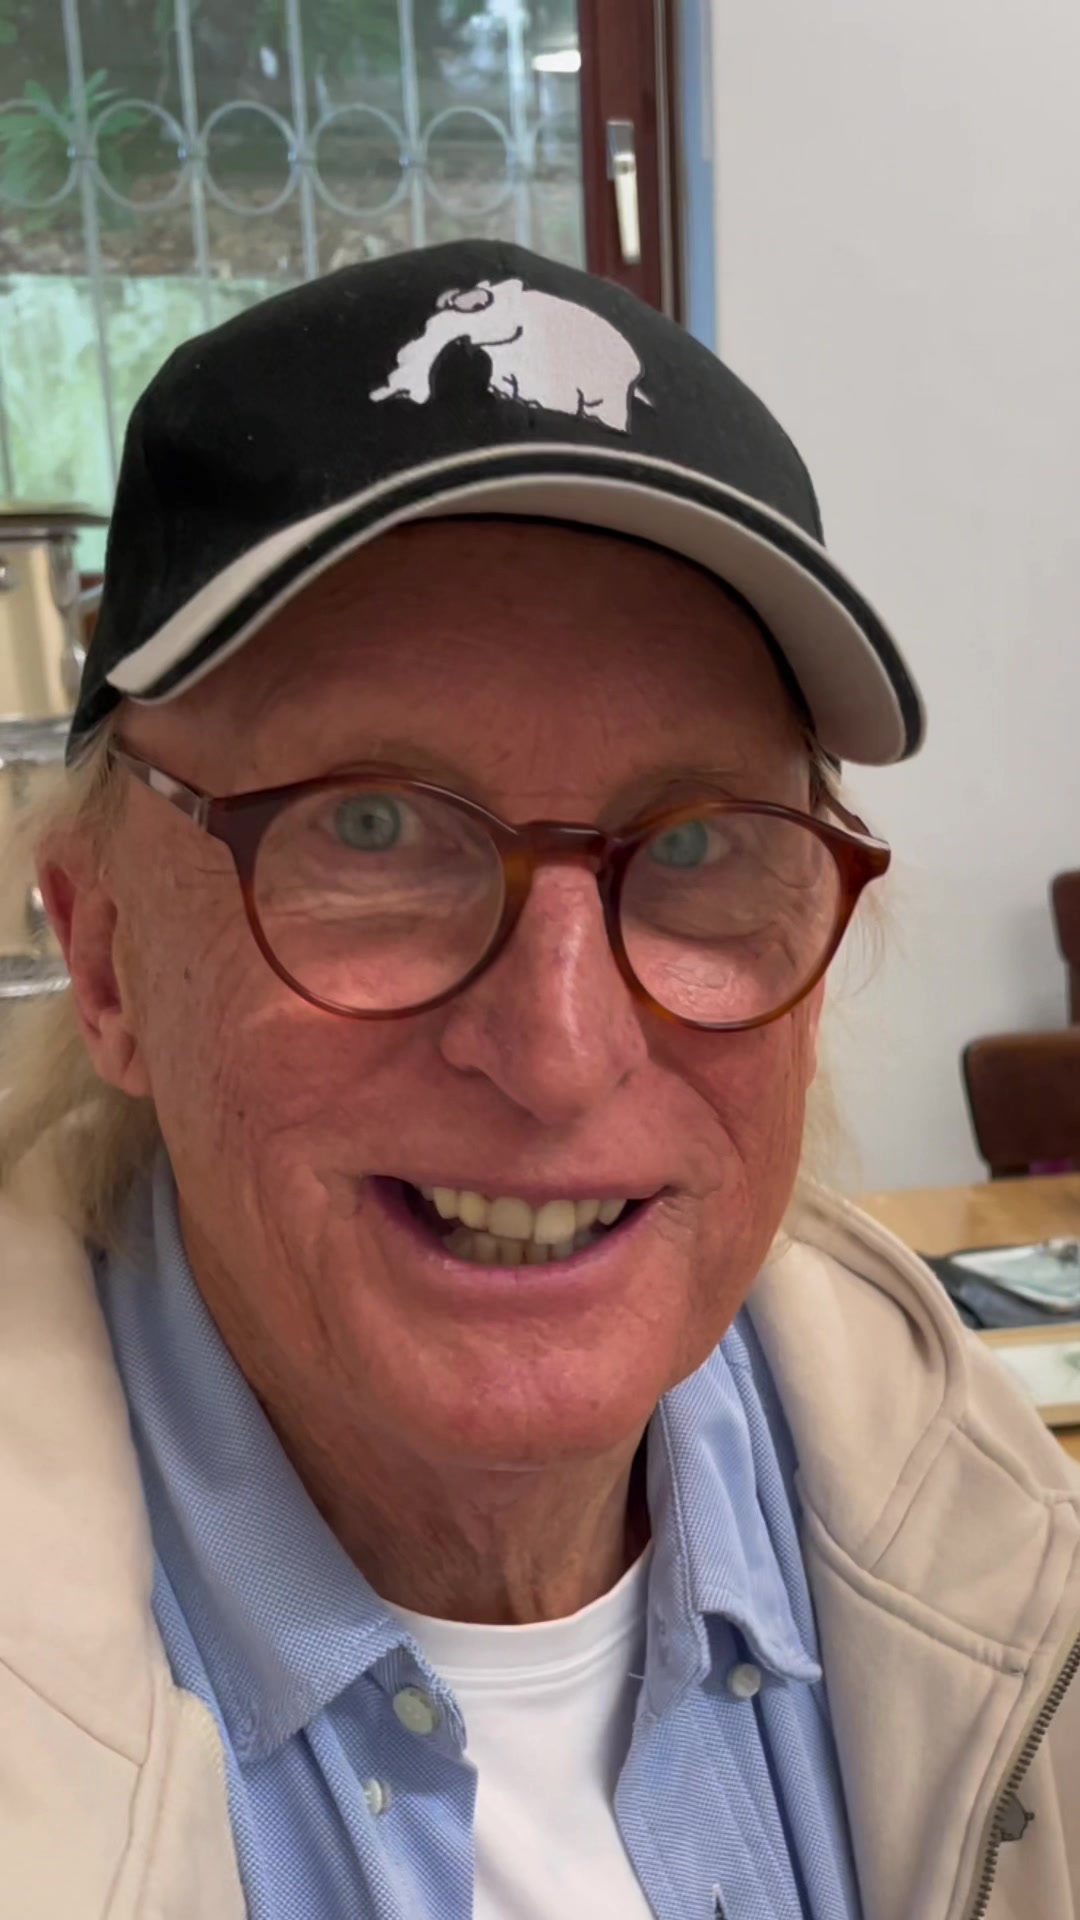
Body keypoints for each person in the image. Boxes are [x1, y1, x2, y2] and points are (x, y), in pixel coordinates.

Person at [0, 240, 1076, 1920]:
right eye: (372, 826)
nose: (563, 1051)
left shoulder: (995, 1545)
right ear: (109, 956)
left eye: (698, 844)